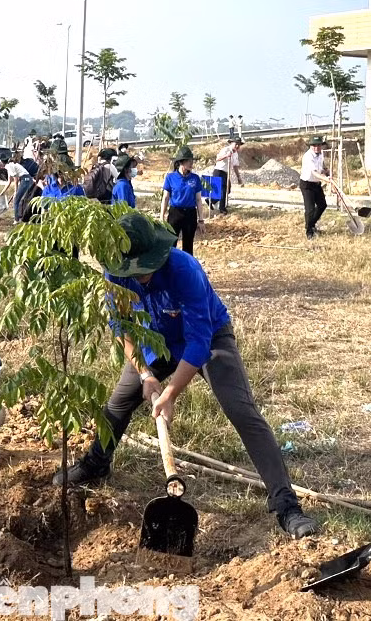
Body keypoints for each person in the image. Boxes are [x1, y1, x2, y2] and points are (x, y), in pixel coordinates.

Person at [54, 212, 319, 539]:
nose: (139, 278)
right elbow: (121, 327)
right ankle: (96, 464)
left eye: (144, 271)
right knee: (118, 404)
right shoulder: (116, 272)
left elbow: (198, 342)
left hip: (208, 338)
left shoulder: (184, 270)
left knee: (241, 410)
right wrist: (145, 375)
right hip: (155, 342)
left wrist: (171, 393)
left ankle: (286, 505)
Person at [160, 145, 205, 255]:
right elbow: (165, 198)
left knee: (188, 246)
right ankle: (170, 268)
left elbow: (198, 200)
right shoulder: (170, 177)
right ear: (181, 162)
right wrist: (161, 217)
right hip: (175, 213)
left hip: (190, 214)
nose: (191, 163)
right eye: (188, 161)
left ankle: (186, 269)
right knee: (171, 244)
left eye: (192, 160)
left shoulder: (195, 178)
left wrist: (201, 220)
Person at [298, 136, 331, 239]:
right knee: (310, 210)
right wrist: (326, 179)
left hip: (316, 184)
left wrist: (326, 171)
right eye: (314, 145)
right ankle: (309, 232)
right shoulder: (308, 157)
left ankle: (311, 224)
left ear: (321, 146)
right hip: (307, 185)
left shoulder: (321, 153)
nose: (317, 147)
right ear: (310, 146)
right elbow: (315, 173)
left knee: (322, 205)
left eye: (319, 145)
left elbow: (322, 164)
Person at [0, 152, 33, 223]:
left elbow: (16, 179)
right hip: (25, 180)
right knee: (22, 200)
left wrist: (15, 191)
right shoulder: (8, 167)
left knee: (16, 200)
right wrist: (2, 193)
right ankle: (21, 217)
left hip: (26, 180)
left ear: (1, 162)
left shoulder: (9, 166)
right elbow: (9, 182)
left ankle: (16, 219)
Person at [212, 138, 244, 216]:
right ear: (231, 143)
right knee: (223, 190)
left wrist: (238, 177)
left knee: (227, 190)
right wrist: (226, 156)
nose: (237, 146)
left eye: (239, 145)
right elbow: (217, 159)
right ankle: (222, 209)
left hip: (226, 172)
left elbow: (235, 166)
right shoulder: (225, 150)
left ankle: (211, 200)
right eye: (236, 144)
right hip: (218, 171)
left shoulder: (235, 154)